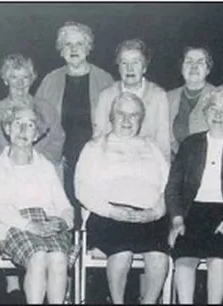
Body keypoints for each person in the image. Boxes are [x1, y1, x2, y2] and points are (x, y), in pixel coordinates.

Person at [166, 87, 223, 304]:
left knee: (218, 261)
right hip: (192, 213)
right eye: (213, 109)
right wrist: (178, 220)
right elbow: (173, 188)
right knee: (183, 261)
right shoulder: (190, 144)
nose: (218, 115)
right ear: (205, 113)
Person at [75, 92, 171, 304]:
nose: (127, 120)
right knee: (122, 254)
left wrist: (155, 212)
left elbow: (168, 187)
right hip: (108, 216)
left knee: (158, 259)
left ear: (141, 119)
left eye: (134, 115)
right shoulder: (94, 147)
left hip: (148, 217)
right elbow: (82, 189)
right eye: (121, 114)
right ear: (111, 117)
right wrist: (112, 211)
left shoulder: (152, 148)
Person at [0, 104, 75, 304]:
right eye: (18, 124)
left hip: (47, 223)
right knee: (38, 256)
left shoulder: (46, 166)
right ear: (8, 129)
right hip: (14, 225)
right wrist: (30, 225)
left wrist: (63, 222)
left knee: (59, 258)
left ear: (37, 135)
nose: (23, 130)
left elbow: (64, 205)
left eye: (30, 125)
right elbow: (1, 208)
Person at [35, 20, 114, 226]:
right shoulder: (49, 80)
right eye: (68, 45)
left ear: (88, 48)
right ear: (61, 51)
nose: (73, 49)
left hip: (95, 155)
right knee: (63, 209)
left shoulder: (105, 79)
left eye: (79, 44)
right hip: (59, 157)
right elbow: (38, 122)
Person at [93, 39, 170, 162]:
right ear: (119, 68)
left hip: (147, 163)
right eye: (124, 63)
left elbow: (163, 143)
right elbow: (98, 138)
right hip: (112, 162)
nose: (129, 68)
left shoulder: (159, 96)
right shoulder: (106, 96)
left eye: (136, 63)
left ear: (144, 68)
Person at [0, 53, 65, 165]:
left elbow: (57, 140)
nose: (20, 83)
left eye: (25, 77)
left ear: (32, 80)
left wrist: (38, 165)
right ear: (6, 80)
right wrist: (9, 165)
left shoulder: (47, 109)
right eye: (14, 77)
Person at [167, 46, 216, 154]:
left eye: (200, 62)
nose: (194, 66)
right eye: (189, 62)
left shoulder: (218, 97)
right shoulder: (167, 98)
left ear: (208, 70)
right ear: (182, 68)